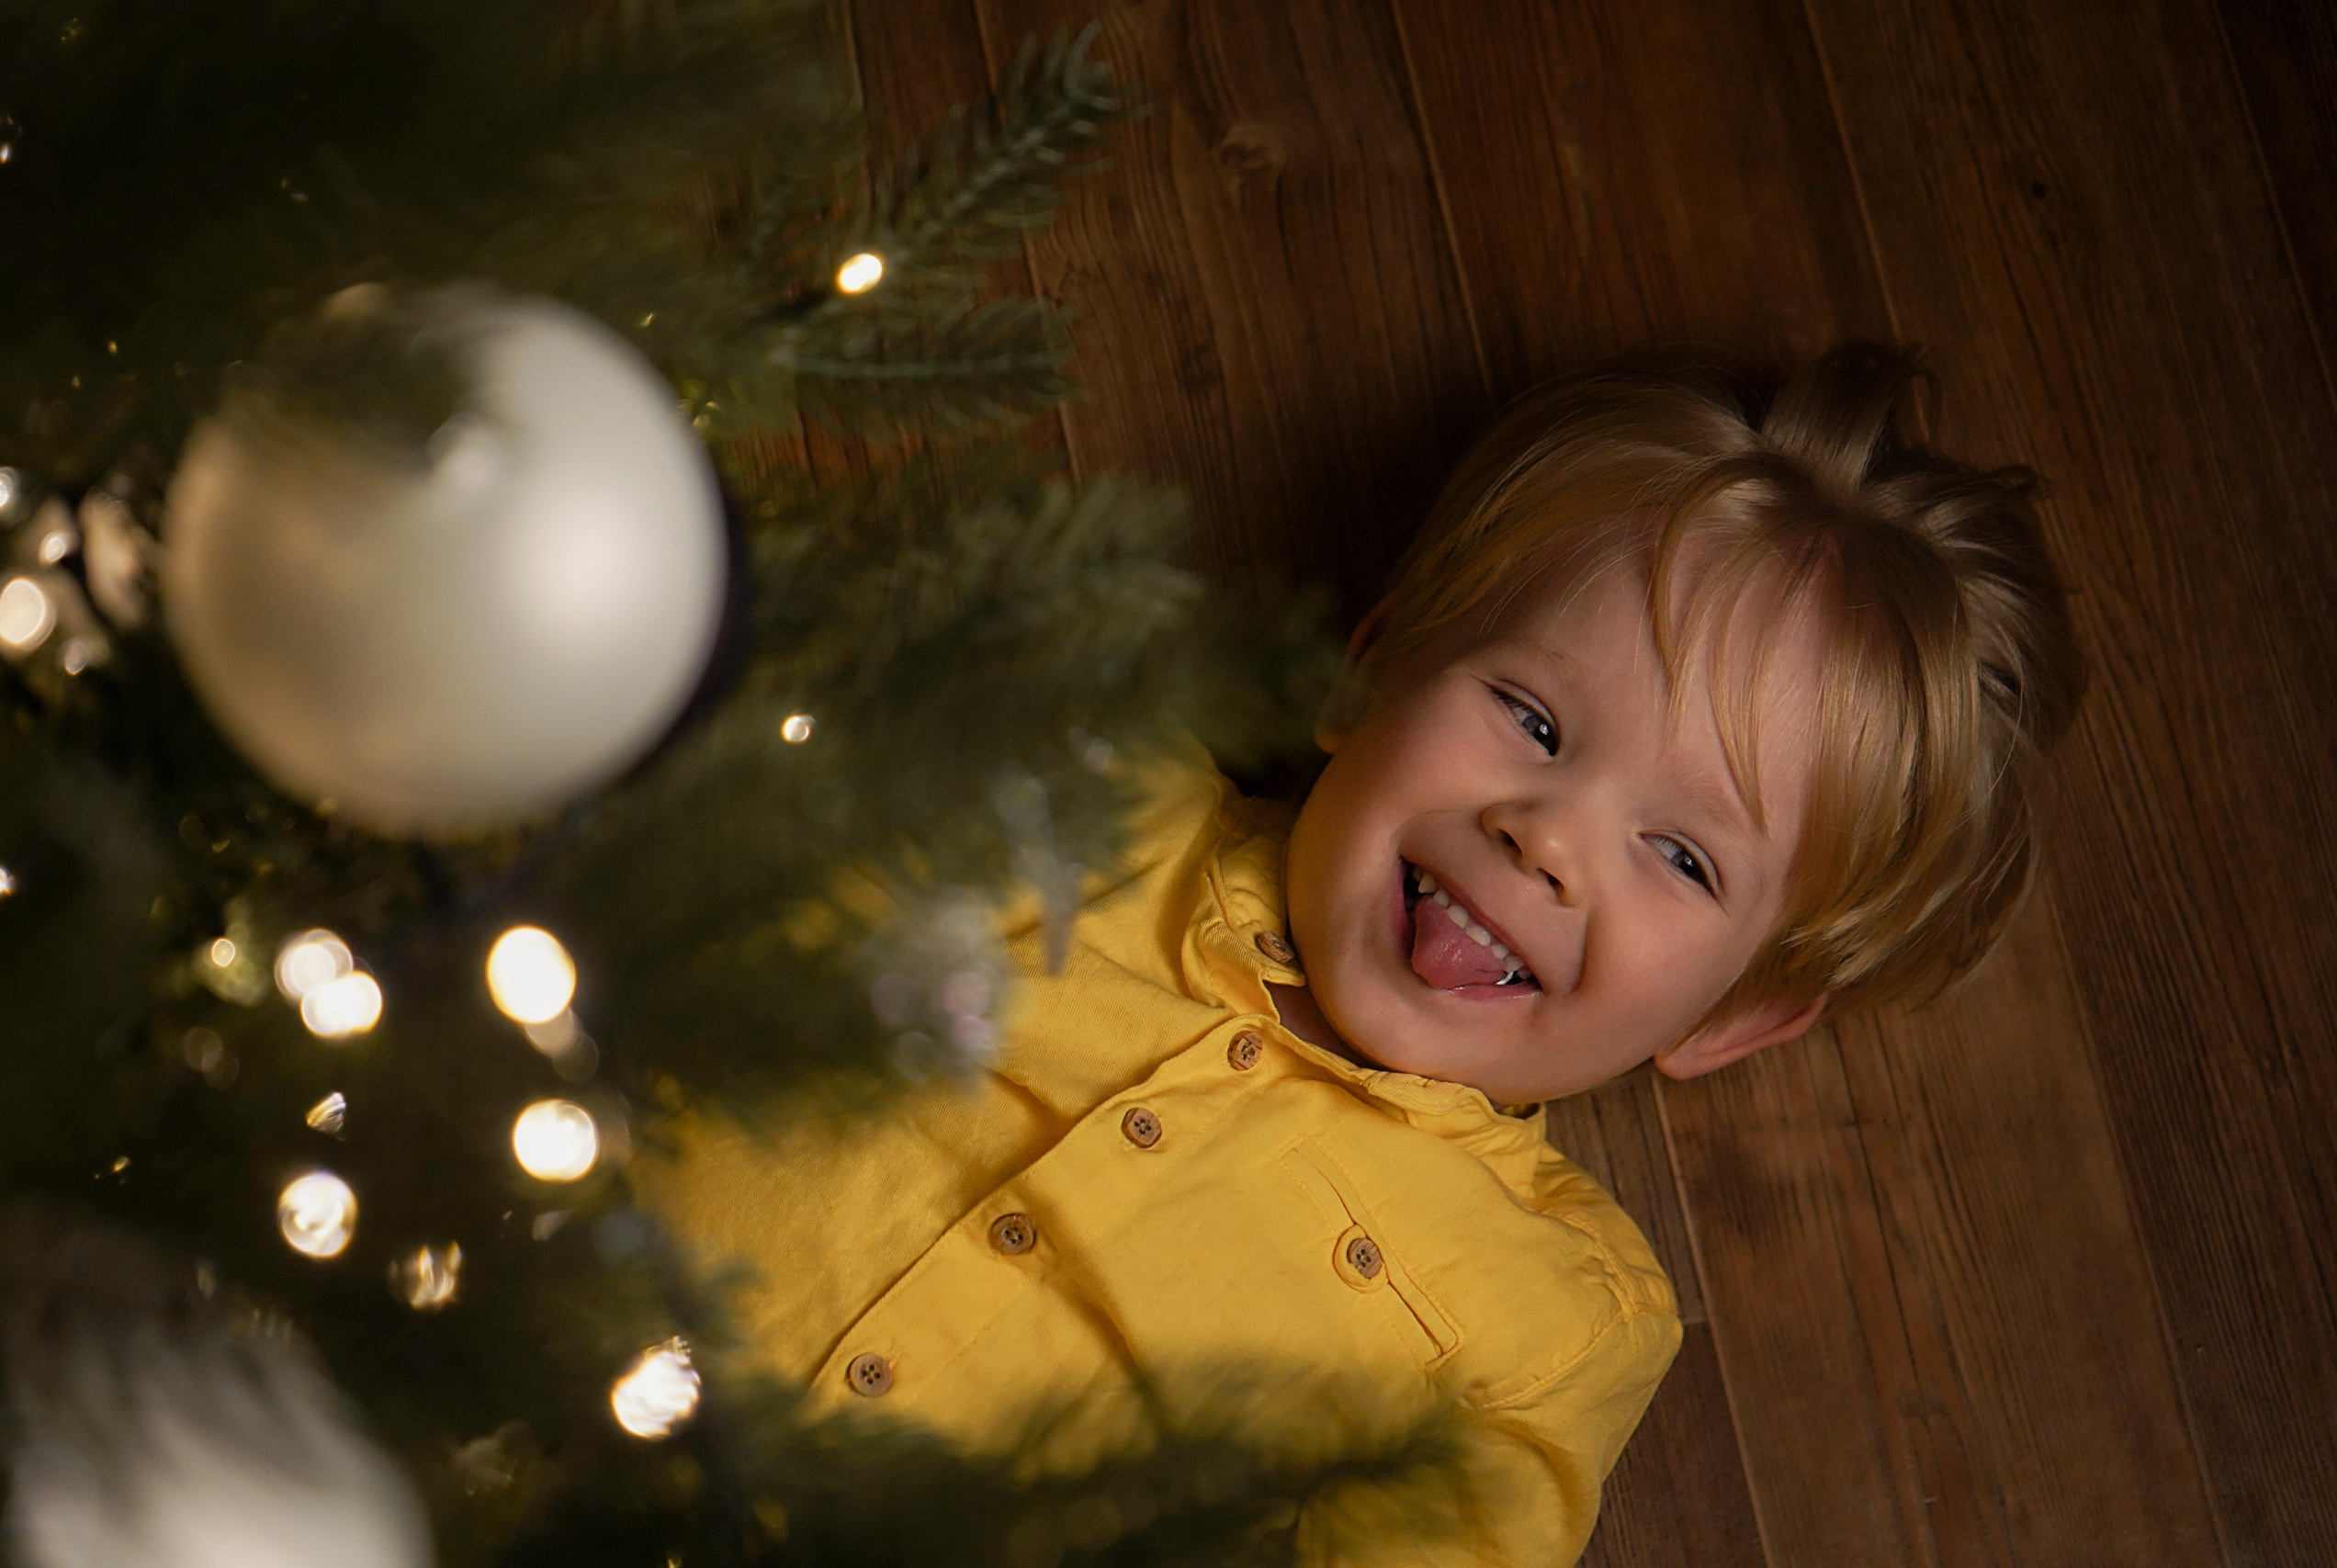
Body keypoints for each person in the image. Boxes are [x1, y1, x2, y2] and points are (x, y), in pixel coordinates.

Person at [639, 342, 2085, 1564]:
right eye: (1531, 720)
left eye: (1685, 854)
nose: (1548, 836)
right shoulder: (1086, 789)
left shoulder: (1556, 1322)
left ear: (1742, 1012)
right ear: (1368, 670)